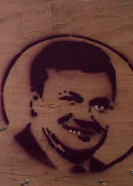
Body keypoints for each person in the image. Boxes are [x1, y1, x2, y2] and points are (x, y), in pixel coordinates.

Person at [14, 40, 117, 173]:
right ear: (36, 102)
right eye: (70, 100)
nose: (85, 117)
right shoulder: (11, 157)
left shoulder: (105, 173)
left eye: (99, 105)